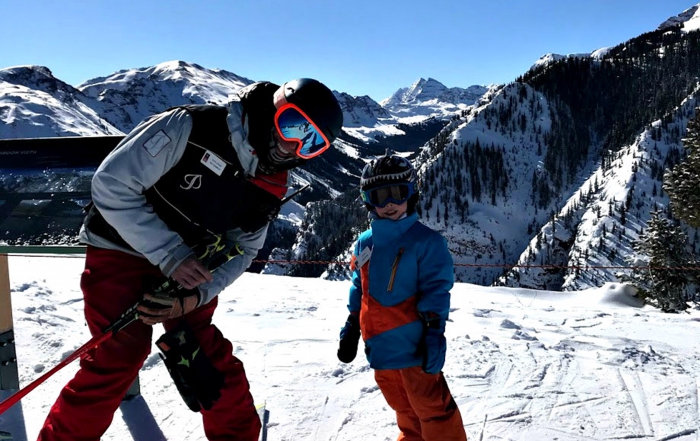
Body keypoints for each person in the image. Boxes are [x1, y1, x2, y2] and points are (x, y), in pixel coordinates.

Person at [38, 78, 343, 441]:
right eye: (291, 125)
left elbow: (245, 250)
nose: (292, 146)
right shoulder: (190, 127)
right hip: (119, 248)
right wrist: (170, 254)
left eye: (312, 144)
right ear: (271, 109)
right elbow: (111, 184)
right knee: (117, 358)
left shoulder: (268, 181)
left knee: (205, 356)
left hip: (188, 267)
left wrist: (195, 297)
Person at [337, 154, 467, 441]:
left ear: (412, 194)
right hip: (380, 348)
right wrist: (351, 325)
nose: (389, 204)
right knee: (403, 408)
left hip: (414, 348)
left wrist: (434, 332)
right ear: (368, 201)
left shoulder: (426, 241)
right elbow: (360, 284)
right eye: (379, 196)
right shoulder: (364, 242)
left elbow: (437, 289)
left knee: (433, 409)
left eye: (397, 194)